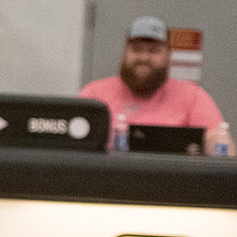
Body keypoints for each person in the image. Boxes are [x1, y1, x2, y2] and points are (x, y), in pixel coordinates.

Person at [80, 17, 228, 152]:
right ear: (125, 52)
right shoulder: (95, 93)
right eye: (136, 50)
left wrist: (217, 145)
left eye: (154, 51)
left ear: (168, 55)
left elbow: (217, 138)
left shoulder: (192, 97)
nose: (144, 57)